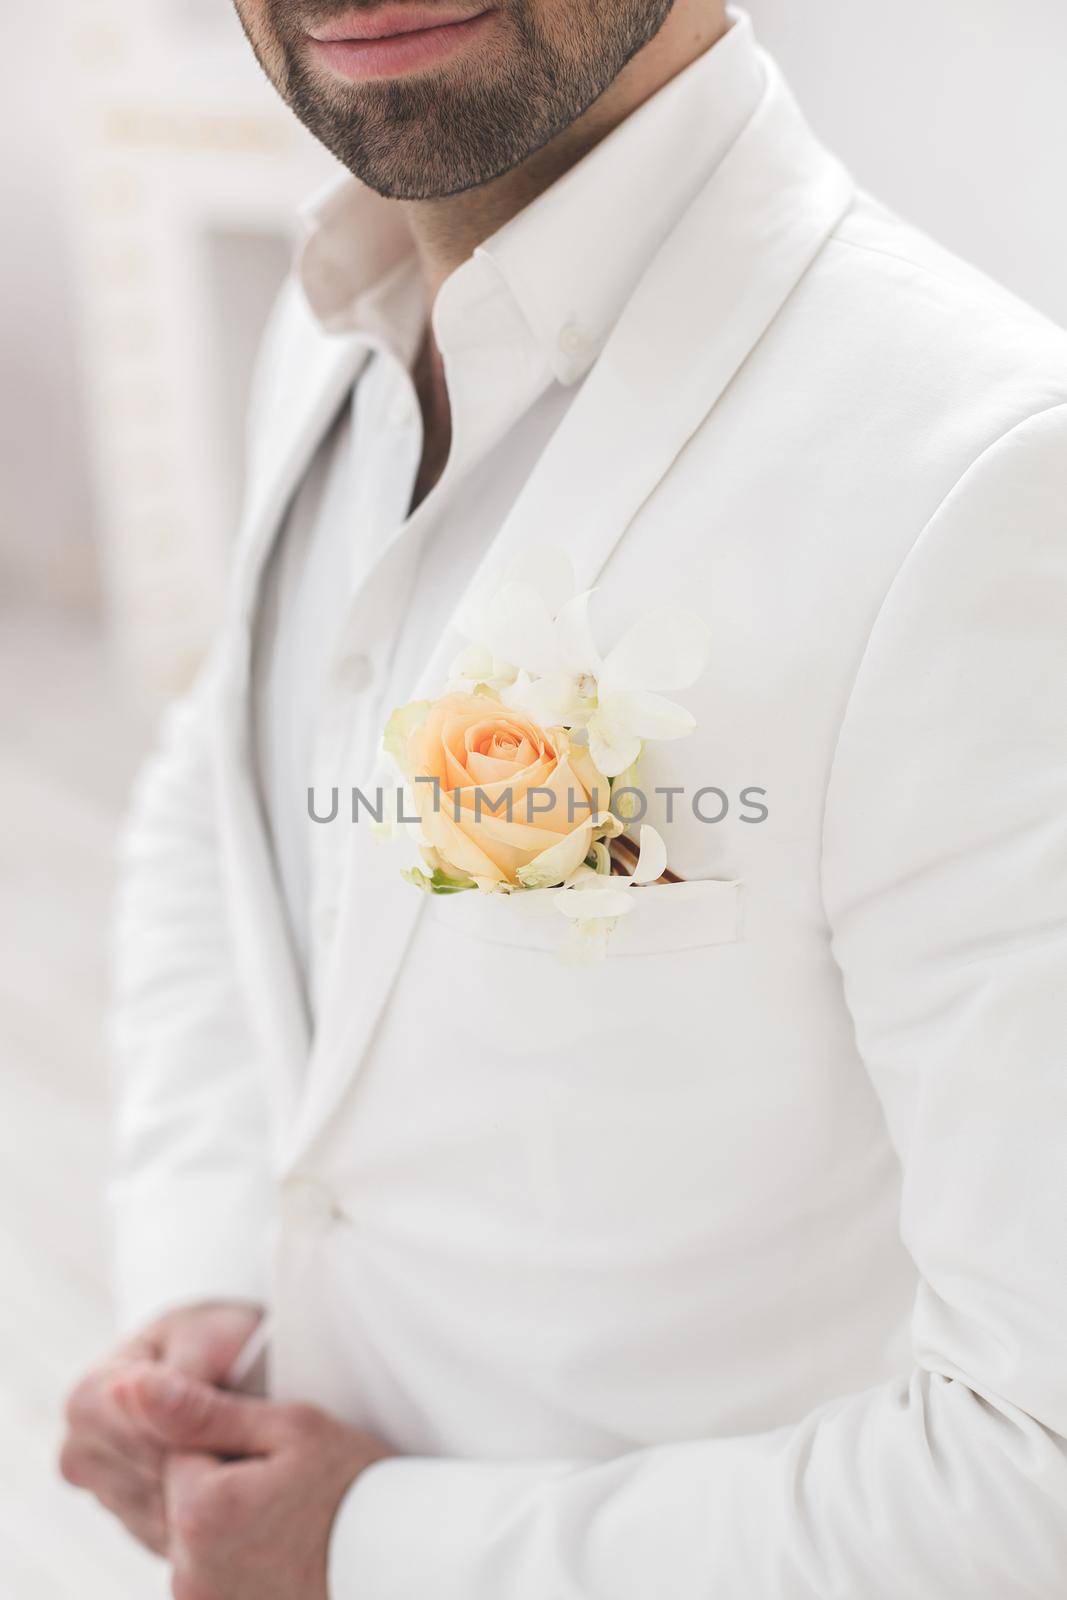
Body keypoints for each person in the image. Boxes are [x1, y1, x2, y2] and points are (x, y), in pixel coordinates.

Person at [59, 2, 1067, 1596]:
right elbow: (219, 803)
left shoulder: (990, 488)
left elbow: (1045, 1473)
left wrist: (370, 1548)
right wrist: (207, 1272)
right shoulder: (331, 319)